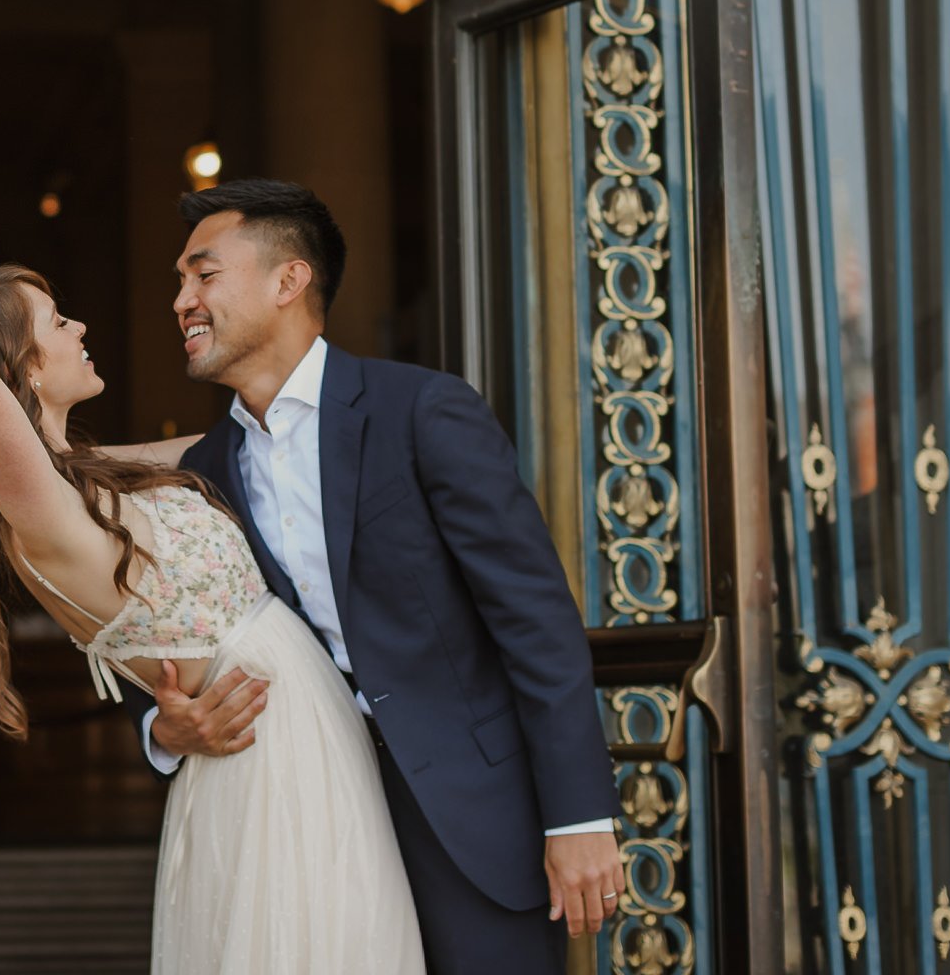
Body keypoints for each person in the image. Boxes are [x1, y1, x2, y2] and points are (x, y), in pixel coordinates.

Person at [0, 257, 424, 974]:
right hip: (267, 760)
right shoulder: (35, 505)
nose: (81, 327)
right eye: (59, 322)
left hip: (303, 738)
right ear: (25, 371)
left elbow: (250, 448)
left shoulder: (91, 475)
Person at [111, 180, 624, 974]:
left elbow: (536, 622)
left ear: (289, 281)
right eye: (180, 282)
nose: (182, 301)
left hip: (468, 820)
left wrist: (579, 815)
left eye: (202, 275)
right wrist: (161, 731)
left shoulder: (422, 411)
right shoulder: (210, 471)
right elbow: (180, 630)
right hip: (308, 828)